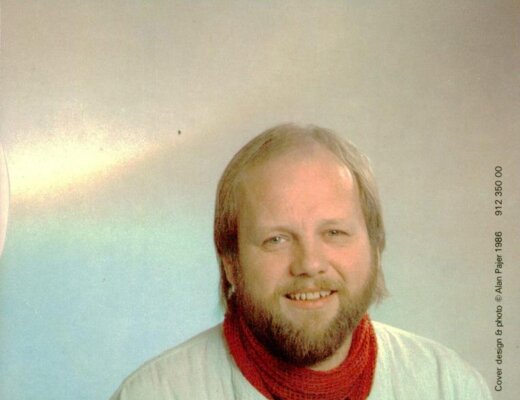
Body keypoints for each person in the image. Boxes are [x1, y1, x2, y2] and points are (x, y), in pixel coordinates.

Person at [111, 124, 491, 399]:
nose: (309, 264)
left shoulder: (449, 387)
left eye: (334, 233)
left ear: (375, 247)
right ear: (230, 262)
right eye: (276, 239)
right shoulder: (154, 394)